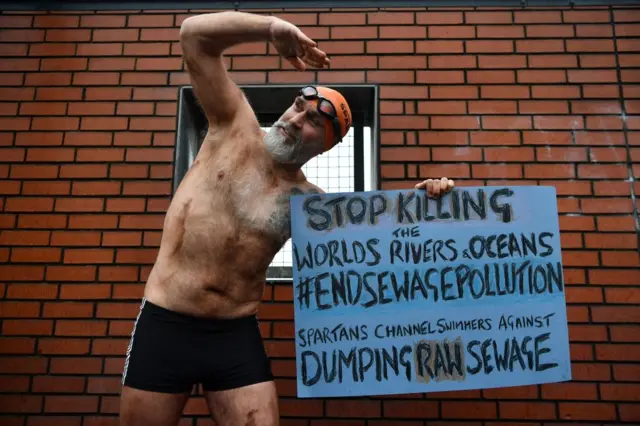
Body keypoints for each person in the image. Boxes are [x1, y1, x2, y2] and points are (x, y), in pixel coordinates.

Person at [118, 10, 455, 426]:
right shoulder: (233, 127)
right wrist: (271, 27)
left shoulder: (309, 202)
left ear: (328, 145)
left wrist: (427, 203)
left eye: (313, 120)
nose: (295, 119)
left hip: (233, 333)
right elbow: (192, 36)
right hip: (165, 321)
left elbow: (383, 241)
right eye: (298, 106)